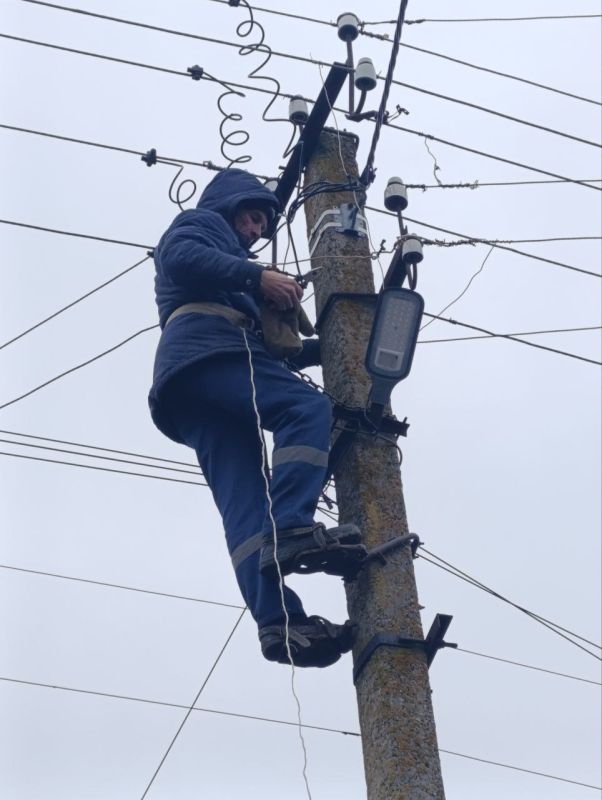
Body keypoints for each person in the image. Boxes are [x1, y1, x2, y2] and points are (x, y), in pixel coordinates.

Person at [148, 168, 366, 667]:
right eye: (251, 218)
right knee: (306, 408)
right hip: (208, 351)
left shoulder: (231, 271)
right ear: (229, 206)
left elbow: (268, 352)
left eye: (261, 227)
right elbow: (178, 257)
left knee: (245, 507)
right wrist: (256, 275)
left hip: (193, 382)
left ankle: (280, 624)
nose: (254, 232)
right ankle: (292, 527)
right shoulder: (201, 224)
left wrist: (333, 348)